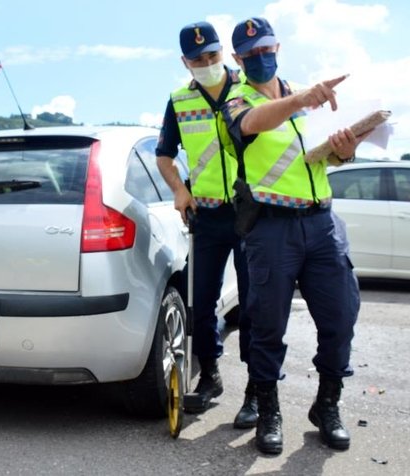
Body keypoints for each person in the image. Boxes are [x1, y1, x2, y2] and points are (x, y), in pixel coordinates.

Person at [219, 17, 363, 454]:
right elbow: (252, 124)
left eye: (267, 50)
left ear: (277, 47)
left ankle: (327, 404)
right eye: (251, 54)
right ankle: (268, 412)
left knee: (341, 319)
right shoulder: (234, 102)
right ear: (238, 60)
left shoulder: (306, 98)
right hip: (271, 228)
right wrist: (303, 97)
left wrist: (345, 149)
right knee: (266, 326)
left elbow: (322, 159)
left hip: (321, 223)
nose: (261, 58)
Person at [155, 21, 257, 427]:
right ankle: (210, 377)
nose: (207, 63)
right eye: (198, 59)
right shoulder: (179, 101)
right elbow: (165, 154)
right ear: (185, 62)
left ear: (224, 54)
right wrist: (180, 190)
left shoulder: (249, 89)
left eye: (213, 55)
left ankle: (256, 390)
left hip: (253, 214)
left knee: (253, 305)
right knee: (202, 305)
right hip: (208, 216)